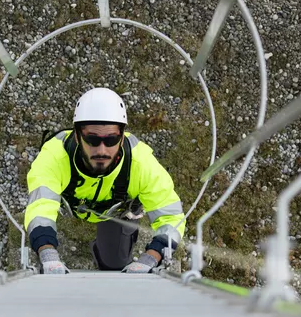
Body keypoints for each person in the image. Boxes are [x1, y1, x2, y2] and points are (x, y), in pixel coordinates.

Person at [24, 87, 186, 274]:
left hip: (116, 213)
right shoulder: (54, 156)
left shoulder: (141, 163)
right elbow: (41, 206)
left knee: (113, 264)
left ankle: (106, 249)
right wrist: (47, 253)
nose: (102, 150)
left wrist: (152, 256)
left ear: (122, 136)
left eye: (111, 140)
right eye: (92, 139)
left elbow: (171, 217)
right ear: (77, 135)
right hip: (72, 207)